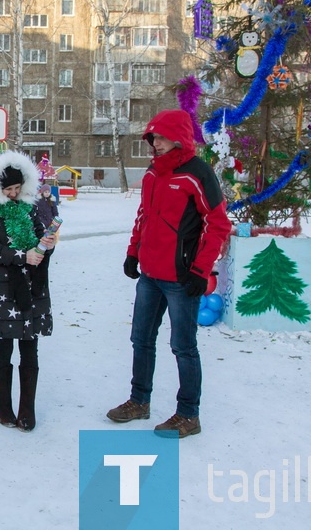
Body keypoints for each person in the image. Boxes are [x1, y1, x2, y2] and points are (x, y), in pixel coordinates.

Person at [106, 109, 231, 438]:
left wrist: (200, 270)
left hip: (181, 279)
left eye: (159, 137)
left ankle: (189, 414)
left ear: (178, 138)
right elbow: (143, 216)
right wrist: (133, 253)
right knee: (141, 340)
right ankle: (139, 401)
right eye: (152, 138)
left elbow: (218, 224)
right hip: (150, 275)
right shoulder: (152, 173)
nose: (154, 143)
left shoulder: (197, 173)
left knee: (183, 347)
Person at [0, 150, 56, 432]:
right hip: (0, 288)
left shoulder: (29, 207)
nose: (13, 194)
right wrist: (22, 255)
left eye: (18, 188)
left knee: (30, 347)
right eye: (8, 189)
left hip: (32, 286)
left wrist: (48, 244)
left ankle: (27, 409)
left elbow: (39, 240)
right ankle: (2, 405)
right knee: (4, 345)